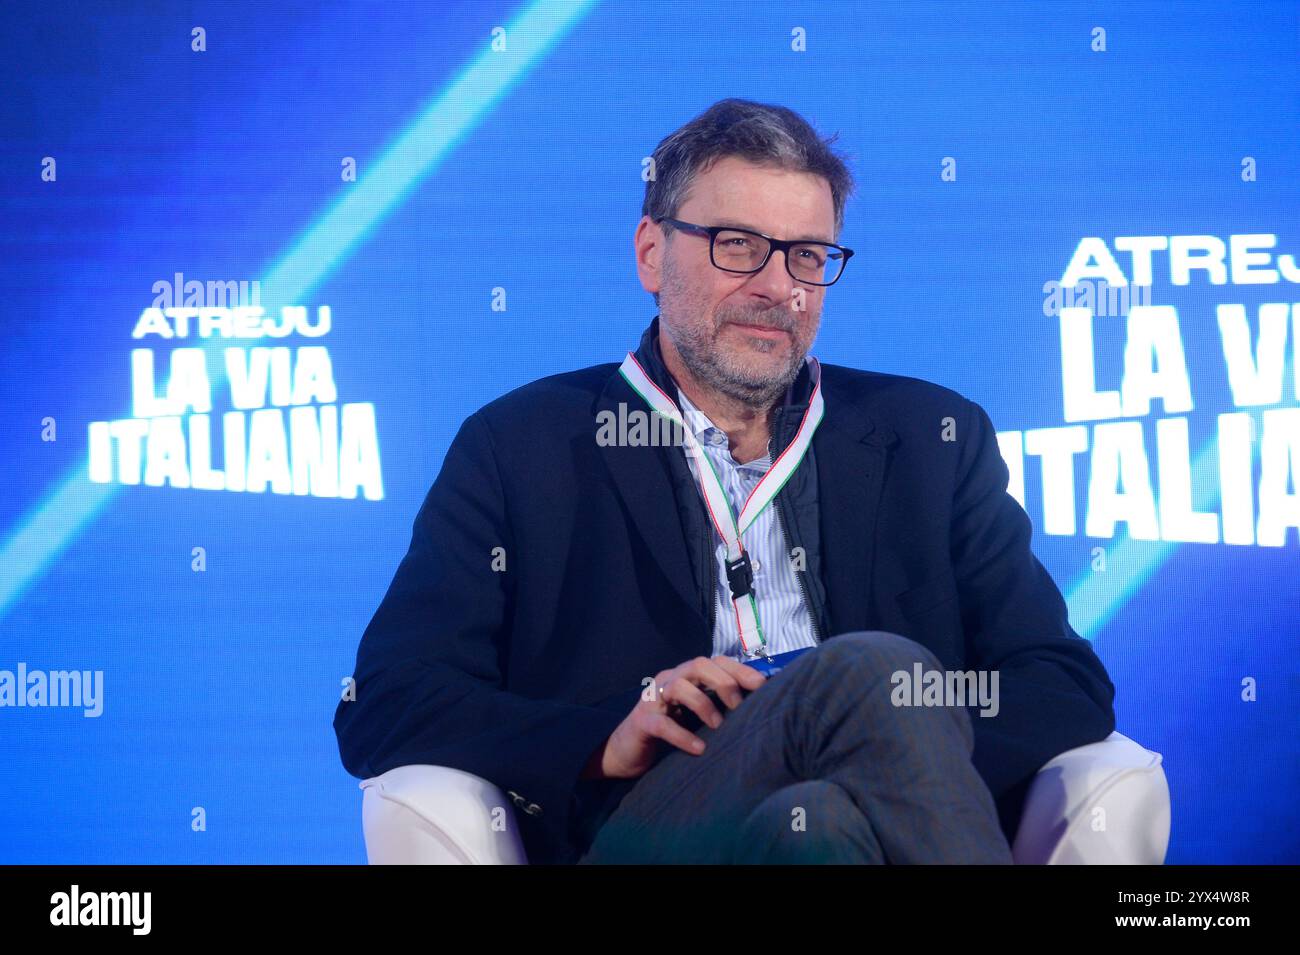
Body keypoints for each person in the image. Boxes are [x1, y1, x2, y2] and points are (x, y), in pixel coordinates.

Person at [333, 98, 1116, 865]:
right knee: (875, 668)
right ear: (650, 253)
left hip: (854, 829)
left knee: (825, 816)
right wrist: (607, 736)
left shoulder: (931, 438)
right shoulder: (520, 446)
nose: (780, 286)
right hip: (650, 820)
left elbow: (1063, 684)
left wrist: (895, 747)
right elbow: (384, 700)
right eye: (738, 244)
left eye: (808, 255)